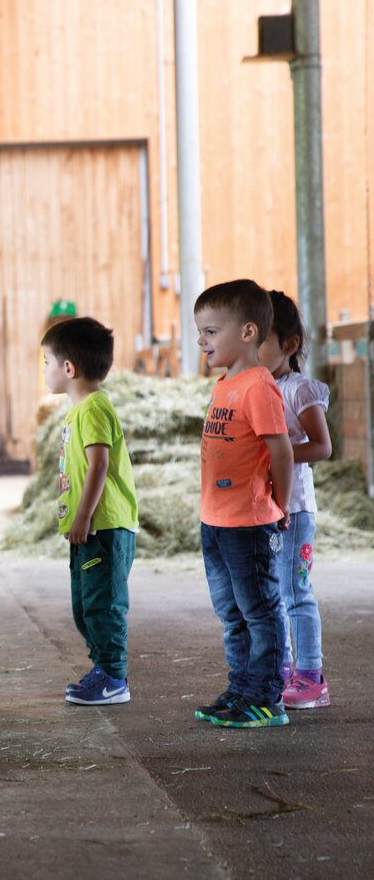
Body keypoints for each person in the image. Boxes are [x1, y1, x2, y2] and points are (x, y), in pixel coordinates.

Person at [192, 280, 294, 729]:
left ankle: (267, 698)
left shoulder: (257, 386)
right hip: (214, 520)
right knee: (231, 613)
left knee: (260, 610)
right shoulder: (224, 384)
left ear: (248, 332)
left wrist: (282, 503)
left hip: (248, 522)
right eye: (201, 332)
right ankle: (241, 688)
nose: (202, 341)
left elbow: (282, 450)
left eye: (212, 332)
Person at [41, 317, 138, 705]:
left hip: (104, 526)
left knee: (102, 603)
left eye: (46, 362)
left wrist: (82, 517)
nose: (45, 371)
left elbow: (98, 465)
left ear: (68, 368)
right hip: (90, 527)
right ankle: (102, 669)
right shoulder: (78, 411)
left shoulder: (94, 409)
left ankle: (114, 678)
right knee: (84, 607)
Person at [258, 289, 332, 708]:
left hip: (297, 509)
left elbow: (322, 447)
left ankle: (311, 675)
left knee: (296, 592)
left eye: (262, 341)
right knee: (273, 592)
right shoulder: (256, 386)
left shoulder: (298, 390)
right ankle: (284, 670)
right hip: (268, 508)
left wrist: (277, 457)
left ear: (288, 345)